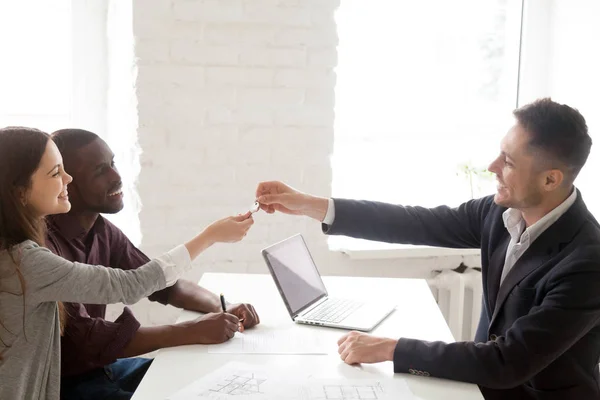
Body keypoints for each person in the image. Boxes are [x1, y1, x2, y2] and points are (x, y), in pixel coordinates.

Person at [255, 98, 600, 400]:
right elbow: (414, 222)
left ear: (551, 179)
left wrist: (392, 348)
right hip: (480, 388)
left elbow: (507, 361)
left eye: (508, 162)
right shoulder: (499, 214)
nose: (492, 167)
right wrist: (308, 204)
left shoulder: (587, 262)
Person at [0, 127, 254, 400]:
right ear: (21, 192)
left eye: (112, 164)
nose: (116, 177)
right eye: (56, 173)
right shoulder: (32, 258)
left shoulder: (99, 230)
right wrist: (210, 237)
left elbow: (160, 282)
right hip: (70, 384)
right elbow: (117, 305)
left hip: (101, 369)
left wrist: (222, 306)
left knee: (198, 378)